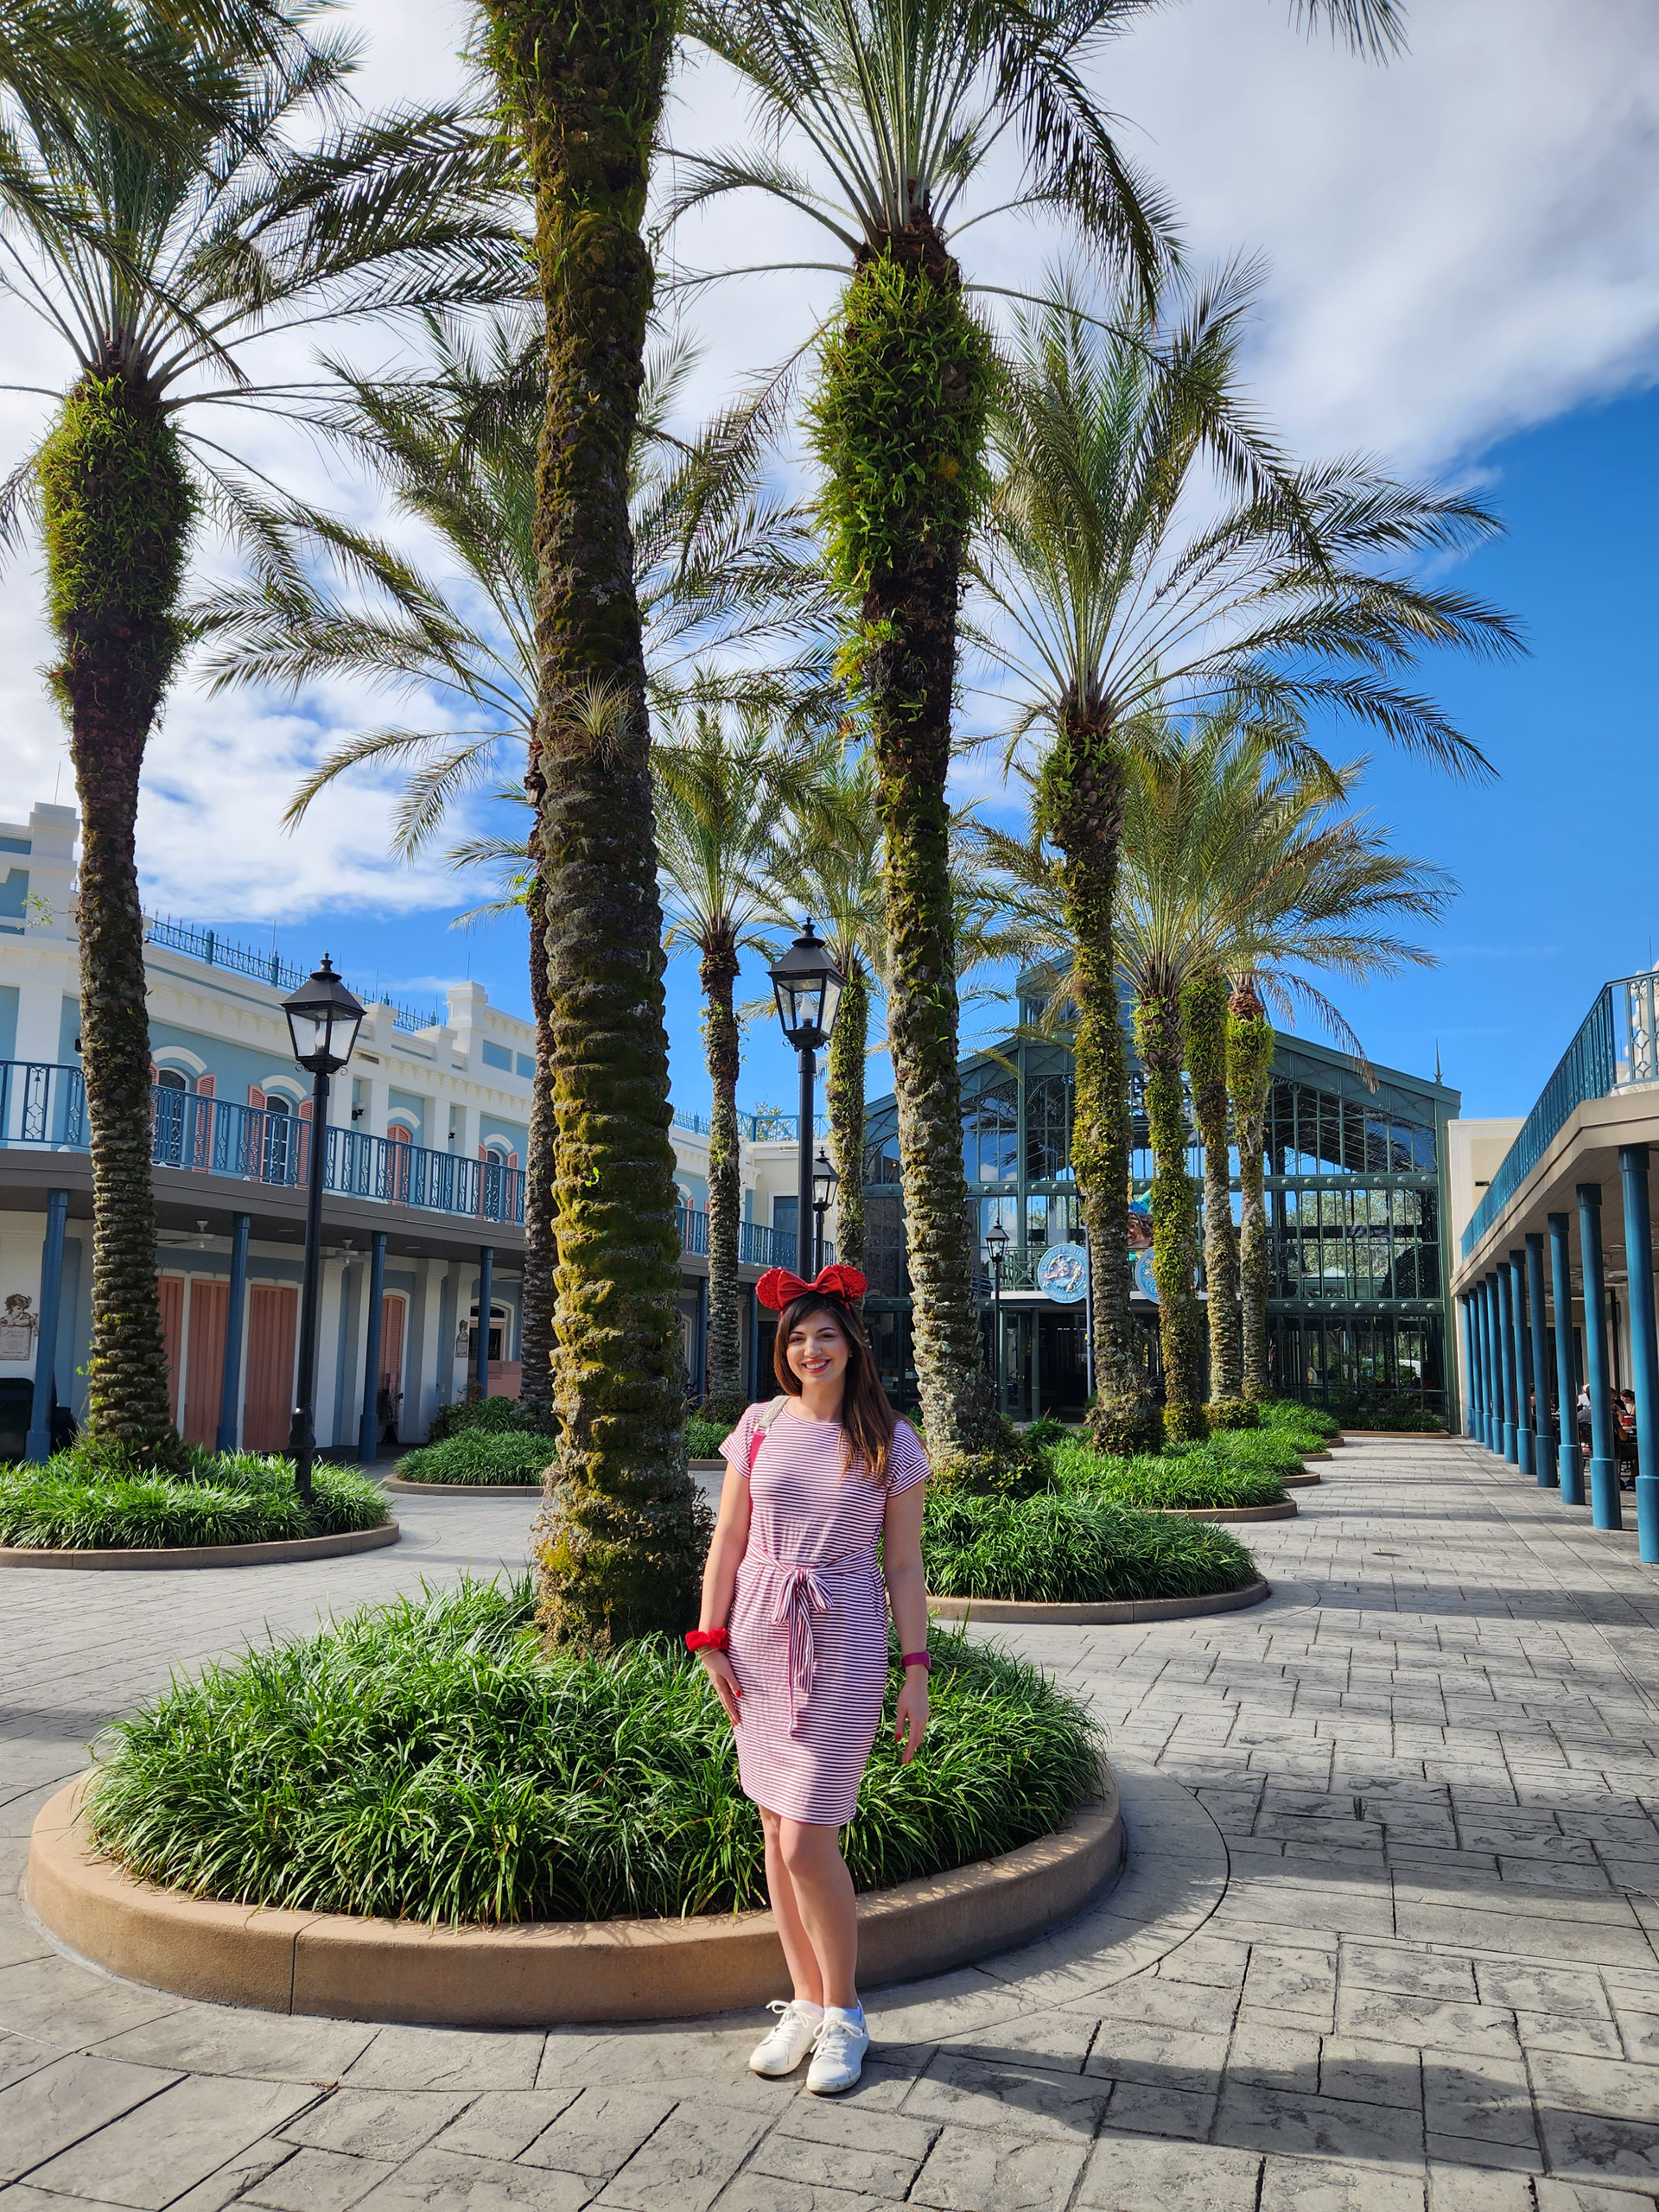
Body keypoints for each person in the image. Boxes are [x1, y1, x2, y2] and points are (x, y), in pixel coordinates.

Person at [689, 1261, 930, 2096]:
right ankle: (801, 2000)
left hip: (846, 1636)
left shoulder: (890, 1440)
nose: (810, 1350)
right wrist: (711, 1636)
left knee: (805, 1838)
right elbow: (727, 1538)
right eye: (797, 1339)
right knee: (770, 1829)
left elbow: (903, 1564)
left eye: (826, 1335)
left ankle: (845, 2014)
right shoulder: (757, 1425)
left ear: (854, 1344)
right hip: (756, 1632)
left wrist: (916, 1669)